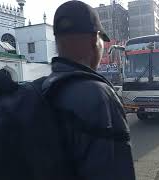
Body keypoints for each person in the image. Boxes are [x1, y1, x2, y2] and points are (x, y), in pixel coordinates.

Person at [51, 1, 135, 179]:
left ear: (57, 42)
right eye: (101, 41)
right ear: (94, 40)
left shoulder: (42, 89)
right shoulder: (101, 95)